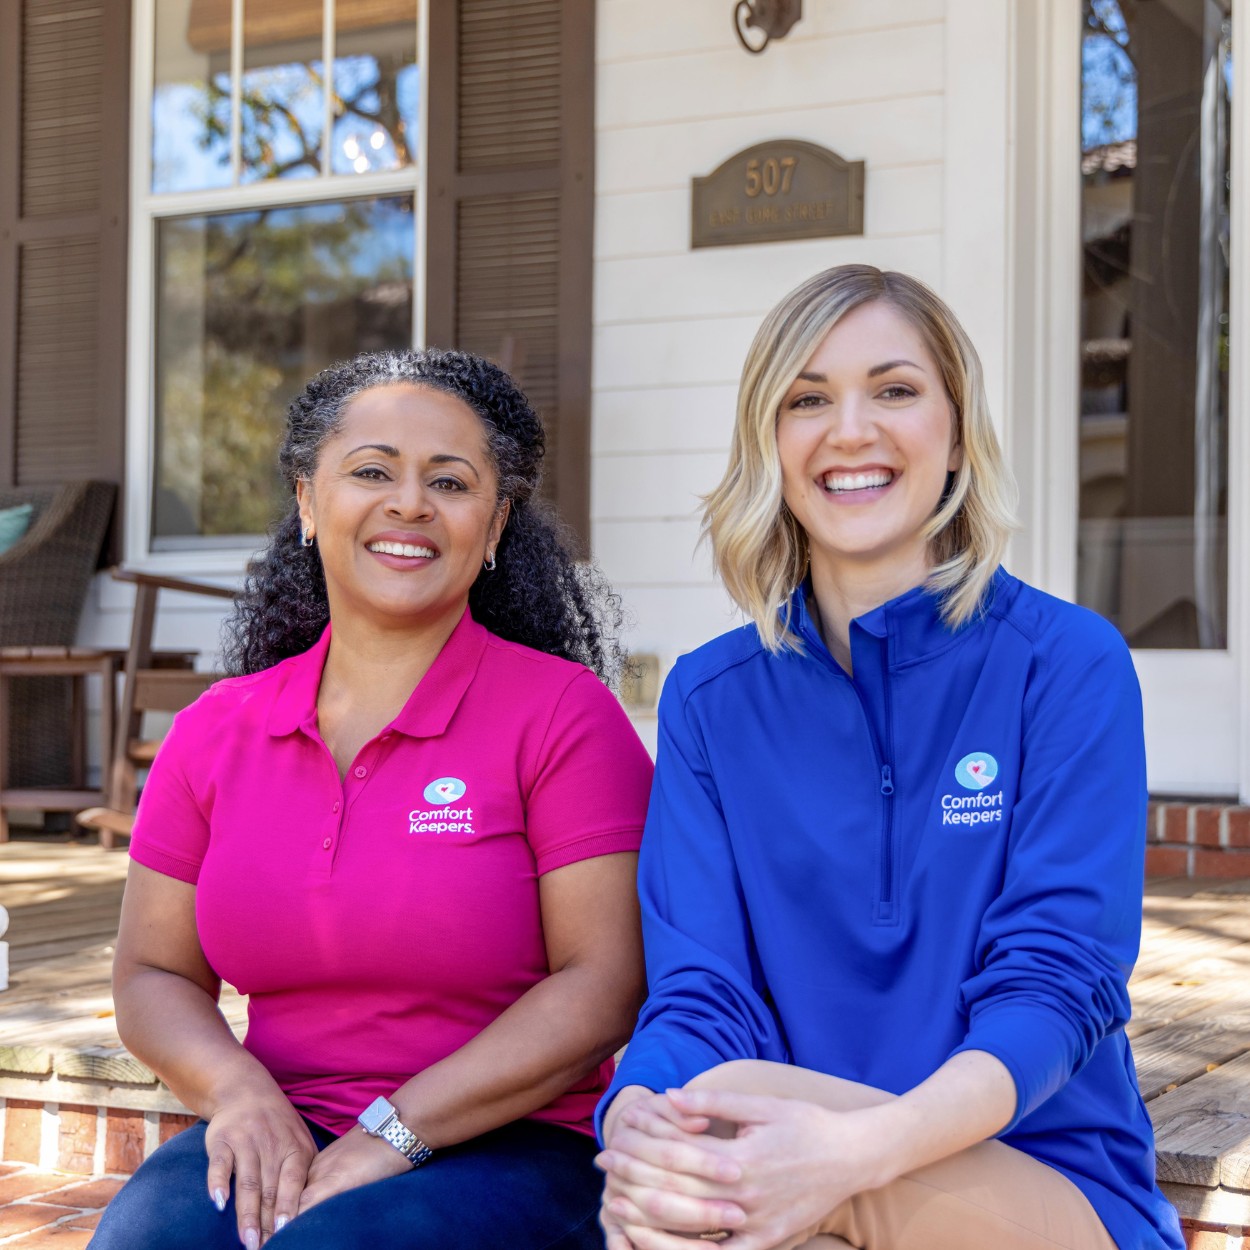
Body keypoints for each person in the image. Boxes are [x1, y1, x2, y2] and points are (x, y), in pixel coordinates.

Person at [594, 266, 1184, 1250]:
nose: (850, 429)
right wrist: (636, 1115)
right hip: (784, 1179)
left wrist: (851, 1152)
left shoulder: (1064, 663)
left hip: (1041, 1184)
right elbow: (701, 992)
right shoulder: (709, 699)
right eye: (807, 399)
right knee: (679, 1152)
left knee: (717, 1144)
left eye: (894, 389)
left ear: (955, 435)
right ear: (769, 444)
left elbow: (1055, 983)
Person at [91, 349, 653, 1250]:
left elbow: (605, 984)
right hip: (281, 1121)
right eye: (371, 472)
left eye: (450, 482)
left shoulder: (563, 715)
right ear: (308, 503)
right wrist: (238, 1094)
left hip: (512, 1142)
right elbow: (153, 974)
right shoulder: (214, 730)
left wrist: (393, 1132)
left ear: (495, 525)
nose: (409, 504)